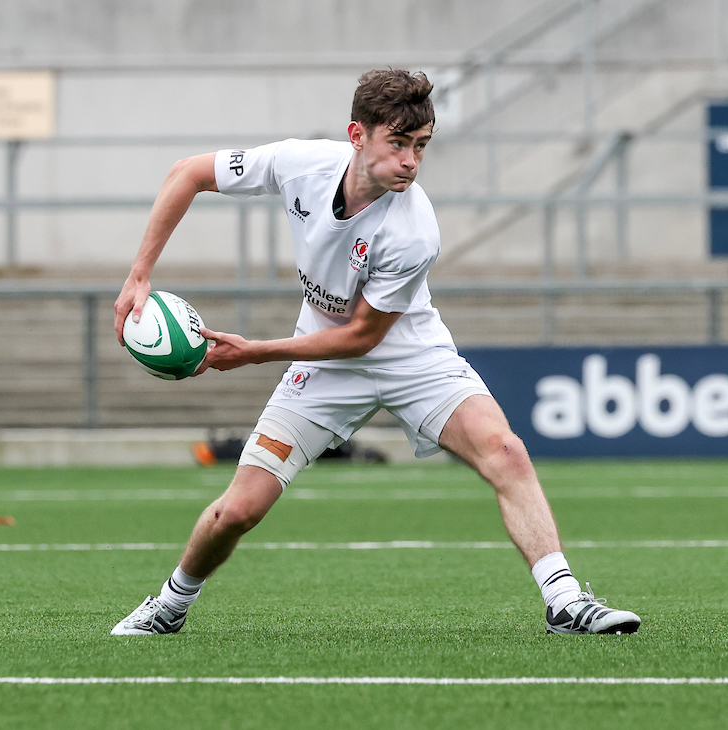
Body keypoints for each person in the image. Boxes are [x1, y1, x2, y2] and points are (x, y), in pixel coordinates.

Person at [110, 69, 641, 636]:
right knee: (239, 510)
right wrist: (138, 275)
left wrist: (258, 351)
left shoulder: (414, 229)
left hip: (411, 356)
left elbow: (363, 337)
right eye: (399, 143)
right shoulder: (300, 163)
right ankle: (170, 604)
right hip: (323, 364)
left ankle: (565, 602)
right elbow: (186, 173)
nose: (412, 161)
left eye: (422, 147)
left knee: (505, 451)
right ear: (357, 135)